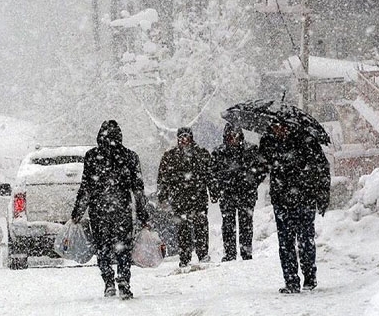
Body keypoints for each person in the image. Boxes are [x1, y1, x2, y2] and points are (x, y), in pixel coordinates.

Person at [71, 120, 150, 300]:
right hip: (122, 210)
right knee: (123, 248)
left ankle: (108, 282)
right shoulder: (130, 156)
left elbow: (86, 188)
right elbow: (138, 190)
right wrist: (143, 215)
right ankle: (123, 280)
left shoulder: (92, 156)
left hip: (99, 211)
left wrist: (77, 212)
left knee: (103, 248)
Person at [259, 121, 330, 294]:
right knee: (285, 243)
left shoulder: (306, 140)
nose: (278, 130)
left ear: (289, 126)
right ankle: (291, 280)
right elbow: (260, 167)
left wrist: (322, 195)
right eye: (274, 127)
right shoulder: (269, 142)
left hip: (304, 198)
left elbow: (321, 168)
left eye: (281, 126)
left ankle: (309, 277)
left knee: (305, 240)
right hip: (282, 200)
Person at [157, 127, 214, 268]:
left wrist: (213, 191)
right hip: (179, 198)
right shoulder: (170, 156)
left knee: (200, 226)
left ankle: (203, 253)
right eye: (181, 137)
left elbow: (210, 175)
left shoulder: (201, 154)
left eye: (186, 136)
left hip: (198, 197)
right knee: (183, 229)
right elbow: (163, 178)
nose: (184, 140)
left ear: (191, 137)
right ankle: (184, 256)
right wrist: (162, 195)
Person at [211, 124, 266, 262]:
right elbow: (212, 173)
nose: (233, 139)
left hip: (246, 194)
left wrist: (252, 182)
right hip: (227, 194)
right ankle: (230, 253)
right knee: (228, 224)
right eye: (230, 136)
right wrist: (220, 185)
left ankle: (246, 252)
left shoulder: (251, 150)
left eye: (235, 135)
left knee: (246, 224)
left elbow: (262, 169)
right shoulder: (219, 153)